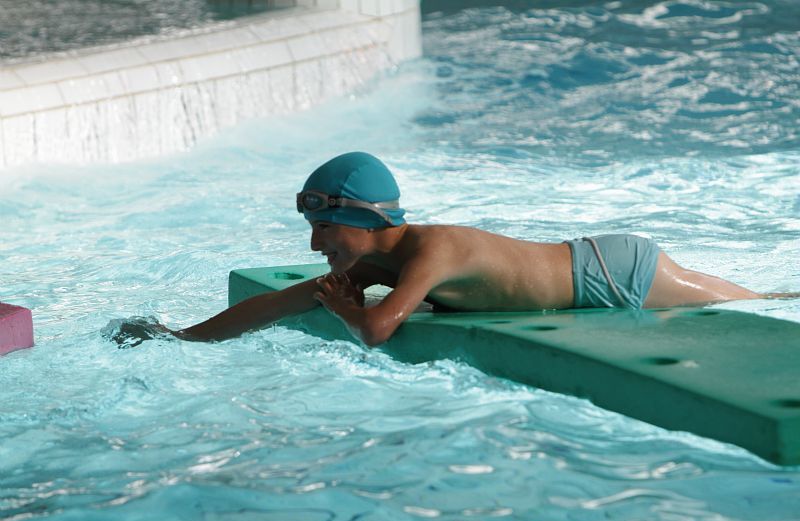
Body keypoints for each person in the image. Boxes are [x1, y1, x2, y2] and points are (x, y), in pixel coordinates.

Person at [168, 151, 787, 346]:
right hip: (596, 264)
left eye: (325, 230)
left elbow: (379, 329)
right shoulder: (379, 260)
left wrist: (343, 309)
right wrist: (182, 338)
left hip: (612, 273)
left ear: (361, 219)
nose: (314, 244)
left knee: (760, 308)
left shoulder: (436, 249)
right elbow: (276, 305)